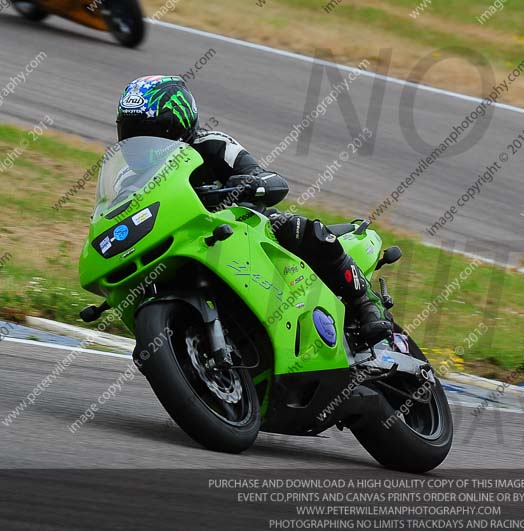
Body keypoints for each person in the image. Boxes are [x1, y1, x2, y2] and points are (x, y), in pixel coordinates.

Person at [115, 75, 392, 346]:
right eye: (130, 131)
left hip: (249, 227)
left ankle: (366, 303)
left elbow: (262, 175)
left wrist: (252, 183)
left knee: (296, 228)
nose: (138, 142)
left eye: (147, 132)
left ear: (176, 124)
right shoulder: (128, 179)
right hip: (186, 243)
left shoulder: (211, 144)